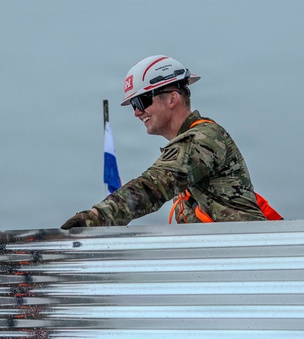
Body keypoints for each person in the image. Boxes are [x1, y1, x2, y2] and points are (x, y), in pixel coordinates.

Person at [61, 54, 278, 229]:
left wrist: (96, 218)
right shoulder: (190, 144)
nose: (137, 112)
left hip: (241, 261)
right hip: (227, 260)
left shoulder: (202, 140)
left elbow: (152, 187)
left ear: (173, 99)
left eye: (141, 101)